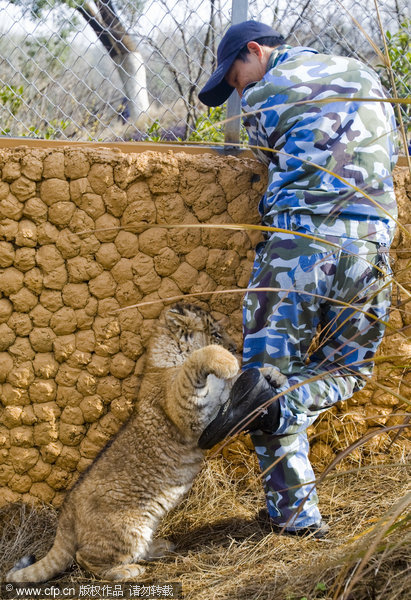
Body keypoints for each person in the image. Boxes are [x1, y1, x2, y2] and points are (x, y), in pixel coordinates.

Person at [197, 20, 398, 537]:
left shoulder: (266, 95)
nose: (238, 89)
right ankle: (277, 406)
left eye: (235, 76)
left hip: (297, 252)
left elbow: (268, 162)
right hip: (370, 250)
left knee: (264, 378)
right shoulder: (366, 75)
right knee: (350, 370)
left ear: (257, 51)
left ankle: (296, 519)